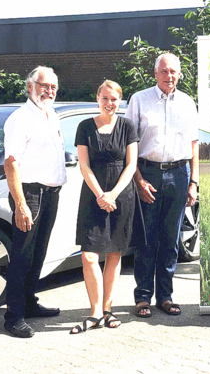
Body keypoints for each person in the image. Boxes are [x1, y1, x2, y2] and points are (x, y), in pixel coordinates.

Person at [126, 53, 199, 318]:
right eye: (164, 71)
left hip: (179, 174)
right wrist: (138, 180)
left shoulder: (187, 103)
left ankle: (165, 297)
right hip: (148, 173)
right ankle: (143, 298)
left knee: (170, 240)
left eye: (173, 71)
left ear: (180, 74)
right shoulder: (139, 99)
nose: (169, 76)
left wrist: (193, 182)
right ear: (155, 73)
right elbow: (129, 144)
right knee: (146, 239)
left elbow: (194, 144)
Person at [70, 80, 141, 334]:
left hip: (121, 195)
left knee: (114, 253)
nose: (109, 103)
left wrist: (113, 194)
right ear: (97, 99)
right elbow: (84, 165)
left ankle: (107, 309)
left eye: (114, 99)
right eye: (105, 98)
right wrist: (101, 194)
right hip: (93, 196)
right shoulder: (85, 127)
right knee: (89, 255)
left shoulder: (127, 127)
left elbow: (131, 165)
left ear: (120, 101)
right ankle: (95, 313)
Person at [3, 66, 66, 338]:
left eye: (53, 87)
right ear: (30, 87)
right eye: (44, 86)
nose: (49, 91)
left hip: (51, 194)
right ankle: (13, 316)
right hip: (30, 195)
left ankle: (29, 303)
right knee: (22, 256)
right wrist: (20, 204)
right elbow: (11, 163)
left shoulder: (52, 115)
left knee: (38, 254)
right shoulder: (20, 119)